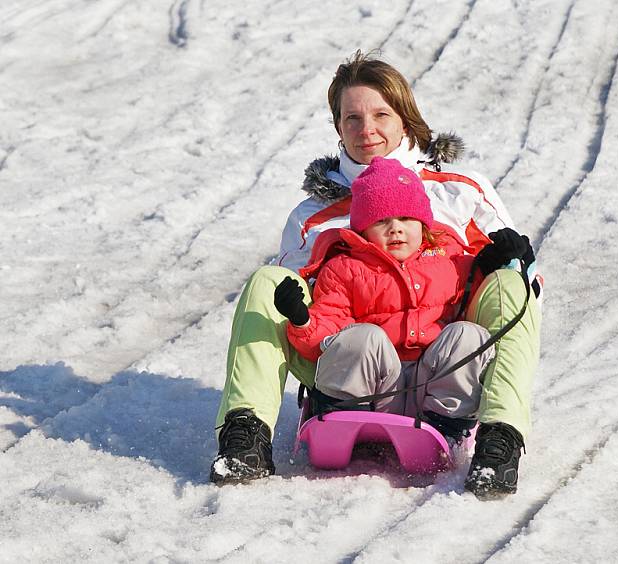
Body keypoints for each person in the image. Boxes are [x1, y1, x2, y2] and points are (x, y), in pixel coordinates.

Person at [210, 50, 542, 499]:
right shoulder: (315, 216)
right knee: (267, 283)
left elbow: (520, 290)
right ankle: (245, 436)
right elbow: (294, 304)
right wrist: (304, 315)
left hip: (442, 359)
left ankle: (498, 442)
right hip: (347, 359)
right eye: (352, 118)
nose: (366, 130)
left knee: (511, 284)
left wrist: (507, 260)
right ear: (338, 128)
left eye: (381, 114)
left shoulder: (458, 192)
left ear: (405, 119)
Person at [273, 156, 495, 441]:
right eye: (381, 221)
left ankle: (447, 426)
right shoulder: (345, 268)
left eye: (405, 218)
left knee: (468, 334)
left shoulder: (449, 262)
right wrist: (303, 320)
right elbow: (327, 330)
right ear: (363, 229)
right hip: (372, 390)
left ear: (423, 222)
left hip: (429, 389)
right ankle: (341, 418)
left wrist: (499, 262)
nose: (395, 229)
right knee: (363, 336)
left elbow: (480, 302)